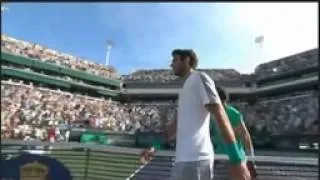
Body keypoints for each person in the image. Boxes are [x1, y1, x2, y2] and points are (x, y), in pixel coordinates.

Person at [141, 49, 251, 180]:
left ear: (187, 60)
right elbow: (174, 128)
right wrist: (155, 146)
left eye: (175, 60)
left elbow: (219, 113)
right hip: (182, 160)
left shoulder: (200, 78)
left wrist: (236, 159)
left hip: (197, 160)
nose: (171, 64)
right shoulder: (184, 91)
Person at [210, 87, 257, 178]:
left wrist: (251, 160)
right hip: (219, 159)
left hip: (235, 159)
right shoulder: (212, 115)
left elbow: (245, 137)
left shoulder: (233, 114)